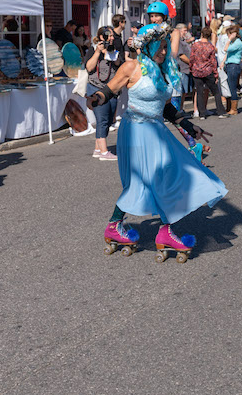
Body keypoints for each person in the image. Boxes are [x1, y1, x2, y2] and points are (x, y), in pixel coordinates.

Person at [88, 24, 224, 261]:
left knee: (171, 177)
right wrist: (98, 98)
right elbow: (110, 89)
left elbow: (167, 108)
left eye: (164, 47)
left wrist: (191, 127)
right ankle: (116, 226)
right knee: (143, 182)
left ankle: (163, 231)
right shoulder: (132, 66)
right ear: (147, 46)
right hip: (136, 131)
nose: (162, 52)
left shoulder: (162, 70)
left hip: (156, 129)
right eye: (158, 47)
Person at [84, 26, 123, 161]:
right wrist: (97, 52)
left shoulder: (114, 49)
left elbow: (119, 64)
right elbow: (89, 68)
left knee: (109, 120)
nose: (112, 38)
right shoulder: (93, 49)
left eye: (113, 36)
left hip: (111, 89)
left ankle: (97, 148)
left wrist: (113, 55)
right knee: (102, 120)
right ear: (102, 37)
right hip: (96, 89)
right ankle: (104, 152)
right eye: (110, 36)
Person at [189, 27, 227, 118]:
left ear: (201, 34)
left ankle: (201, 113)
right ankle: (220, 111)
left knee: (199, 92)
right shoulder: (210, 47)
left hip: (197, 71)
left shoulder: (195, 45)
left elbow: (192, 58)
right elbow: (213, 62)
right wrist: (216, 74)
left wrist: (191, 68)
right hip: (208, 71)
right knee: (216, 92)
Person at [223, 24, 242, 116]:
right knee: (229, 86)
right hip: (229, 65)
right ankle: (229, 107)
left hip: (233, 66)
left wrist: (229, 39)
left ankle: (234, 108)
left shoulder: (237, 43)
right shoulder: (234, 42)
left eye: (229, 34)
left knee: (232, 87)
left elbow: (225, 49)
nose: (228, 36)